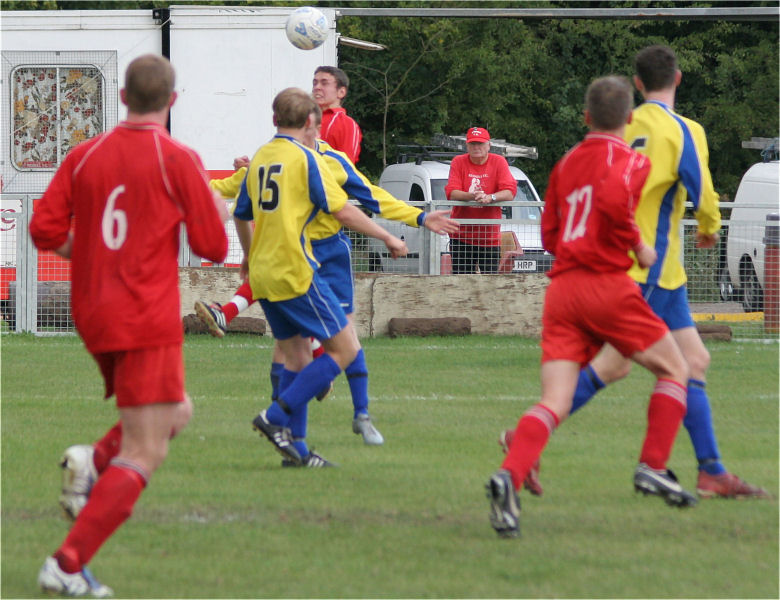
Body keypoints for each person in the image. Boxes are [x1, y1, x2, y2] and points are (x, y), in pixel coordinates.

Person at [503, 45, 768, 500]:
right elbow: (702, 192)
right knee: (620, 365)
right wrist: (708, 229)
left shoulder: (622, 127)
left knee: (693, 362)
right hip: (645, 268)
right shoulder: (685, 130)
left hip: (654, 274)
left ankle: (711, 470)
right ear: (678, 80)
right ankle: (532, 436)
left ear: (638, 86)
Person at [29, 54, 229, 595]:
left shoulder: (85, 154)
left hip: (94, 311)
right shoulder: (177, 157)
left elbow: (44, 229)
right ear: (173, 101)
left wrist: (93, 254)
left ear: (121, 98)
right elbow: (211, 246)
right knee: (146, 449)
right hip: (143, 315)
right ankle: (67, 563)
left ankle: (89, 463)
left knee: (177, 411)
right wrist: (214, 204)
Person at [487, 75, 697, 539]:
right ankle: (653, 466)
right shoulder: (631, 161)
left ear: (584, 117)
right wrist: (638, 247)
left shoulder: (564, 164)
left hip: (563, 290)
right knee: (675, 369)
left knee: (555, 400)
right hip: (607, 284)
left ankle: (509, 477)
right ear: (628, 118)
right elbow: (612, 202)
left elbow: (548, 234)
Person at [195, 117, 458, 448]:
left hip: (327, 255)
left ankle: (358, 414)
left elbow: (371, 195)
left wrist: (417, 216)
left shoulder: (331, 161)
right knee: (291, 350)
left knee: (343, 335)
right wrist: (187, 188)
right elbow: (230, 188)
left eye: (324, 84)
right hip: (293, 256)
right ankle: (288, 429)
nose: (308, 129)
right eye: (314, 85)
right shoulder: (273, 158)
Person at [235, 88, 408, 466]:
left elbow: (241, 212)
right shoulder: (306, 158)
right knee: (344, 349)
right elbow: (342, 210)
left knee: (297, 356)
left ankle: (296, 450)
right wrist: (387, 236)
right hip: (294, 271)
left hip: (263, 275)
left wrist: (248, 257)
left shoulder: (260, 156)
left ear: (274, 119)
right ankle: (274, 418)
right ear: (312, 122)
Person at [444, 127, 517, 274]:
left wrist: (491, 197)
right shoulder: (458, 162)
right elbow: (451, 192)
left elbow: (510, 192)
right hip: (461, 236)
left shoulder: (499, 161)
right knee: (462, 282)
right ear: (467, 146)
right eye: (472, 144)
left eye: (480, 143)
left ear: (489, 145)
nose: (476, 147)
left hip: (489, 237)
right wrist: (472, 196)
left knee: (490, 284)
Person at [312, 65, 362, 164]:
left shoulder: (347, 124)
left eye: (324, 83)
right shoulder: (305, 118)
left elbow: (346, 166)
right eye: (315, 83)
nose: (317, 87)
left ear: (341, 92)